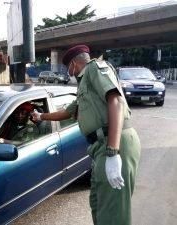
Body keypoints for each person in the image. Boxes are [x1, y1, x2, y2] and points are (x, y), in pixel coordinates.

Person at [31, 45, 141, 225]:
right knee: (98, 205)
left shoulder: (95, 69)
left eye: (68, 68)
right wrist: (41, 115)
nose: (69, 73)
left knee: (113, 214)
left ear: (74, 64)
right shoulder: (85, 84)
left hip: (113, 143)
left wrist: (113, 152)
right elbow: (67, 112)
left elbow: (116, 101)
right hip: (99, 148)